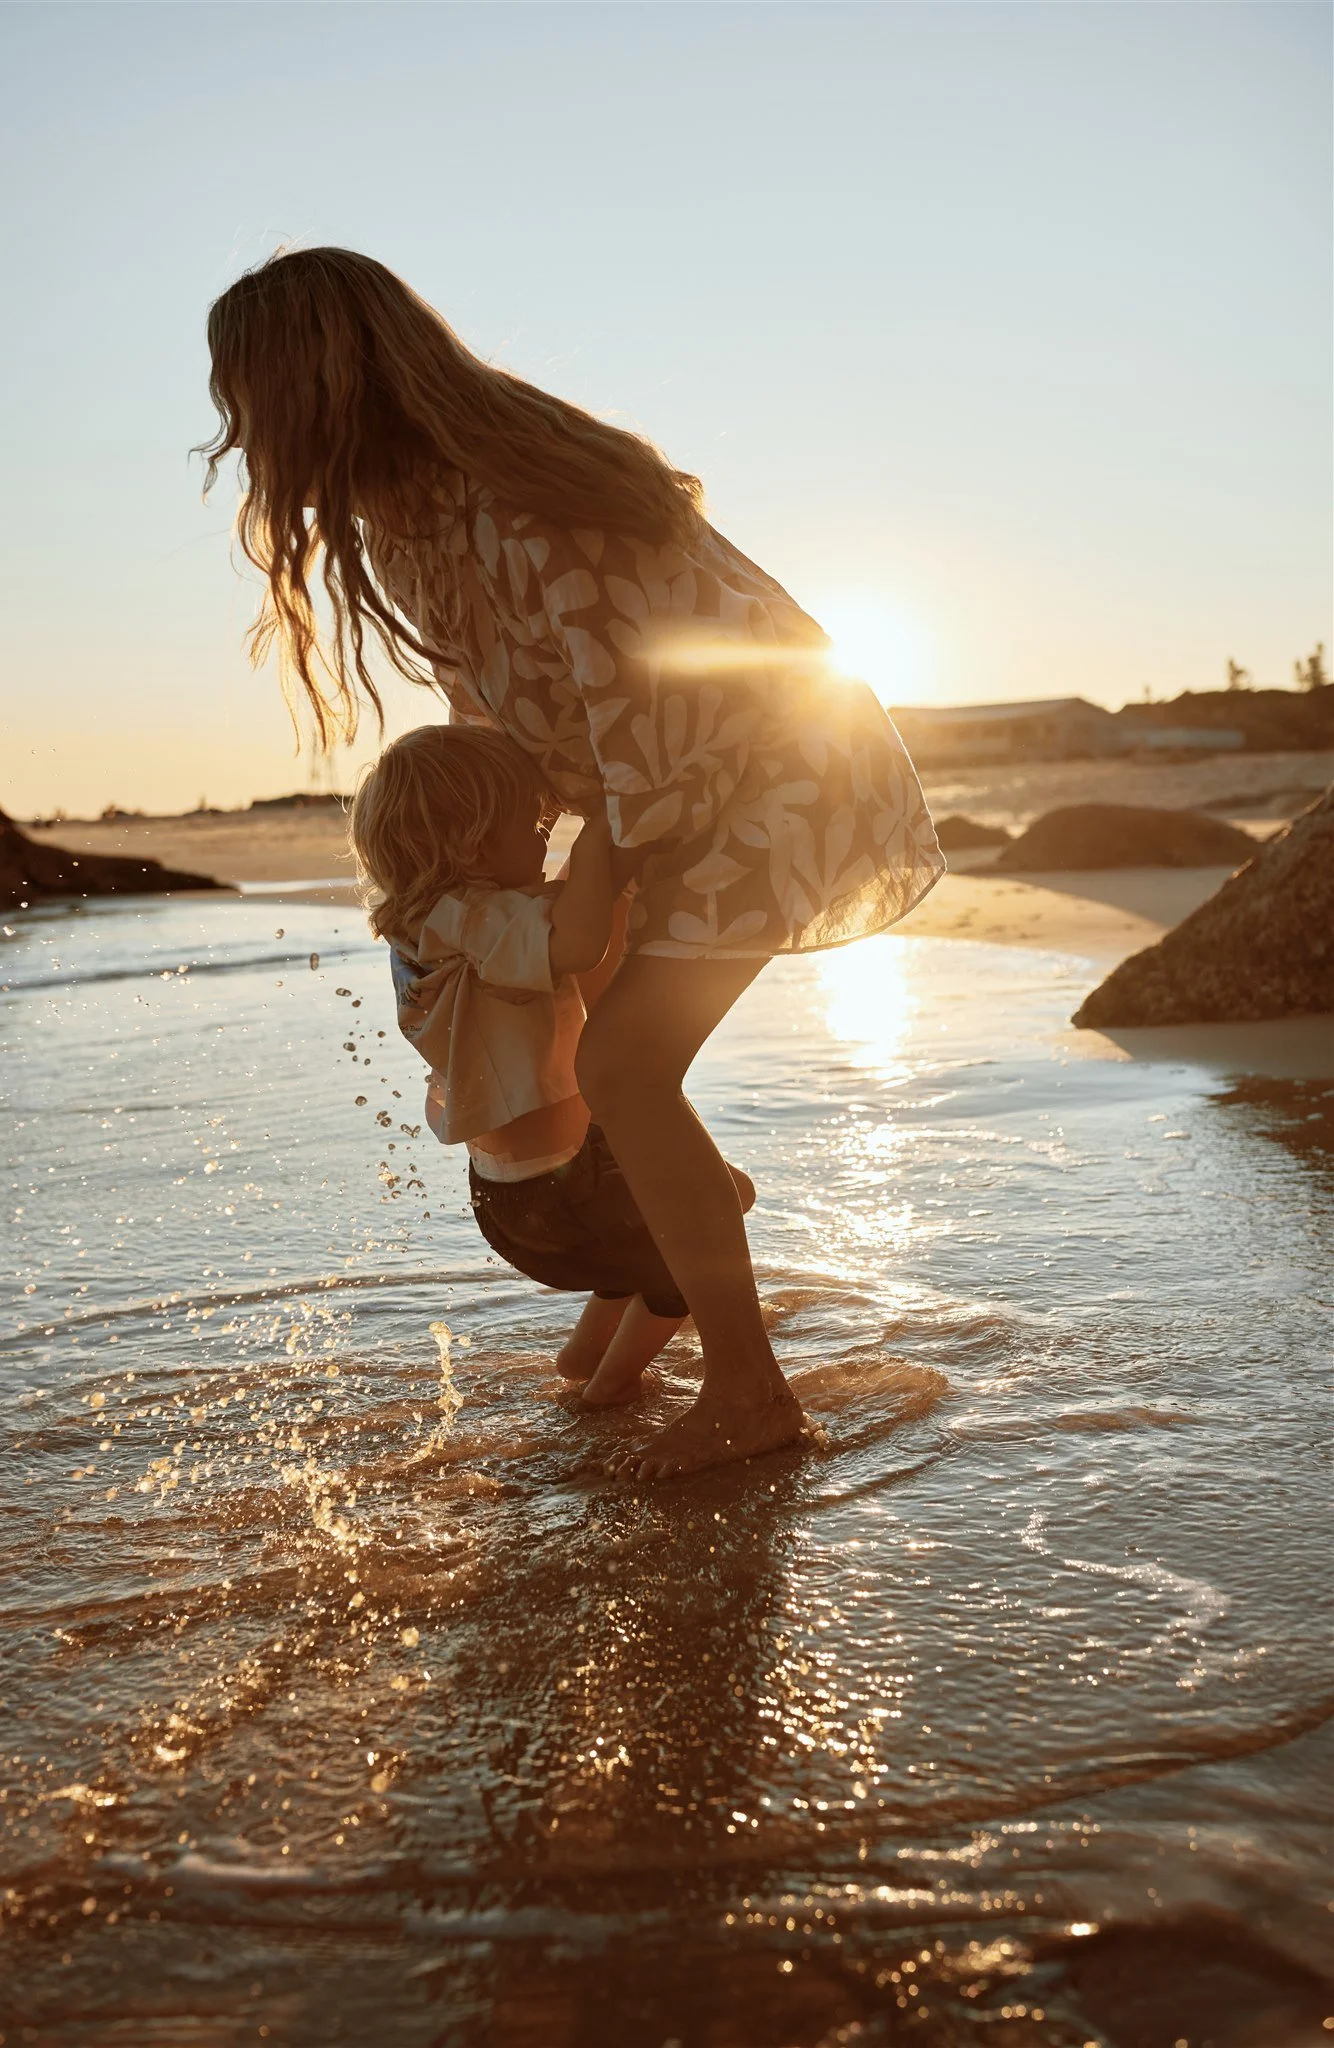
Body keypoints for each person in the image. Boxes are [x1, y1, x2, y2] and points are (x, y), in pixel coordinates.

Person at [201, 246, 944, 1481]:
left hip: (769, 767)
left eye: (248, 406)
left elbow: (623, 677)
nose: (240, 439)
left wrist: (607, 842)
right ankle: (655, 1310)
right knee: (610, 1045)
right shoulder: (411, 531)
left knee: (620, 1060)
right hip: (667, 794)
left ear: (318, 387)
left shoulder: (512, 492)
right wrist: (484, 879)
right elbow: (505, 716)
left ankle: (751, 1392)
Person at [349, 721, 755, 1409]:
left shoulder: (433, 924)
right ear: (474, 845)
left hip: (514, 1192)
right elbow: (579, 941)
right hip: (560, 1197)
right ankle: (604, 1391)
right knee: (702, 1233)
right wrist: (604, 824)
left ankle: (581, 1354)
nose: (547, 837)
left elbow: (566, 902)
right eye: (532, 827)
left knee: (690, 1202)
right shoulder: (467, 921)